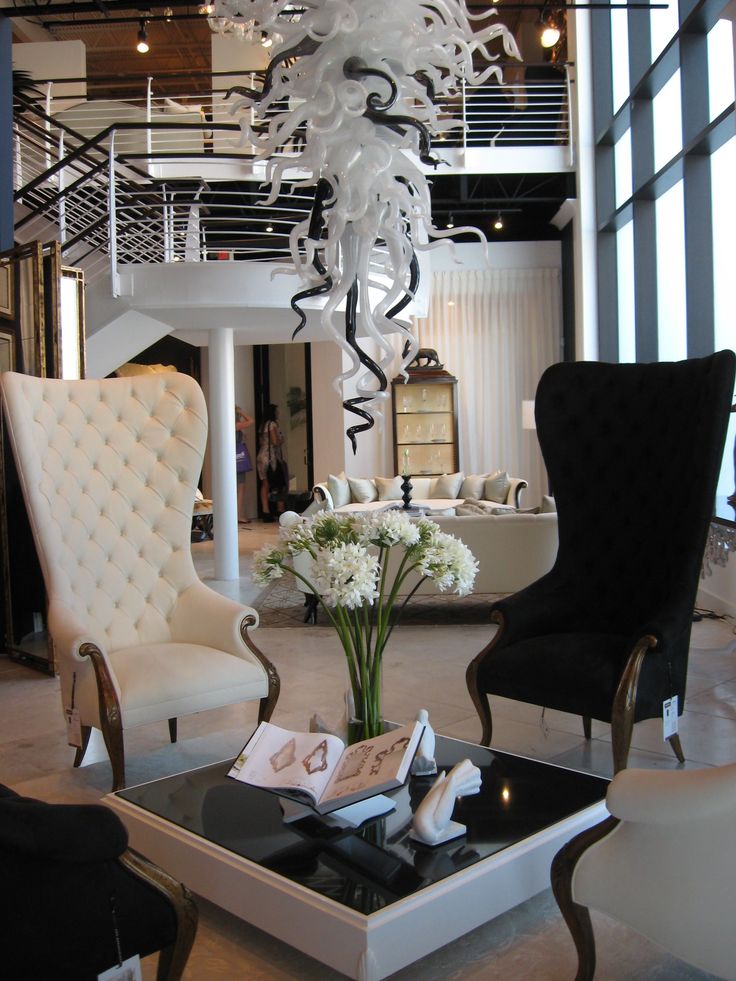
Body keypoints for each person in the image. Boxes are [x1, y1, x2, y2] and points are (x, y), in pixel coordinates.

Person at [256, 403, 287, 521]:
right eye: (277, 411)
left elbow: (261, 442)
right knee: (279, 483)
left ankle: (266, 511)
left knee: (265, 484)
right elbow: (275, 441)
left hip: (261, 456)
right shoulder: (272, 424)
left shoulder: (262, 425)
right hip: (271, 458)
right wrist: (281, 440)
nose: (278, 413)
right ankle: (280, 510)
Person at [235, 405, 254, 525]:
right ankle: (238, 515)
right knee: (240, 488)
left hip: (231, 458)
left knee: (236, 487)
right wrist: (241, 412)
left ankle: (236, 514)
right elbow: (251, 421)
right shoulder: (235, 425)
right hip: (237, 459)